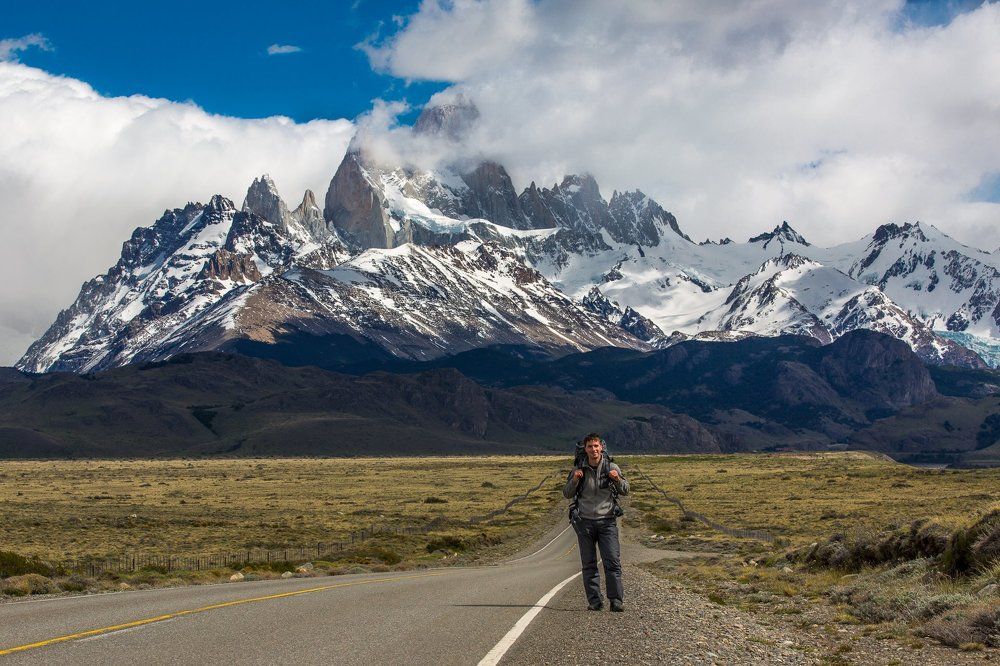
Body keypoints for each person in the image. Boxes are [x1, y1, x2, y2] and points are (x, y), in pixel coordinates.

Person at [563, 433, 629, 612]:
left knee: (612, 562)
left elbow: (625, 490)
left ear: (602, 448)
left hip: (607, 522)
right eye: (590, 447)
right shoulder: (579, 469)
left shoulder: (611, 467)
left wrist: (617, 478)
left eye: (596, 446)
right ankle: (595, 601)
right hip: (584, 523)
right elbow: (567, 493)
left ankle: (616, 600)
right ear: (585, 449)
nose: (593, 450)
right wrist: (575, 480)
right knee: (589, 563)